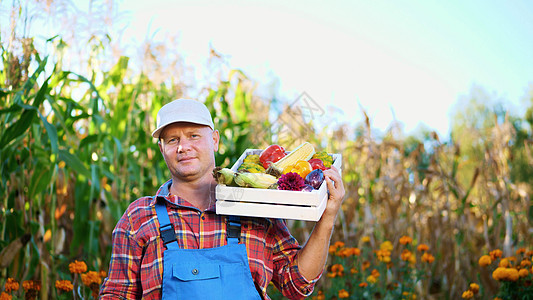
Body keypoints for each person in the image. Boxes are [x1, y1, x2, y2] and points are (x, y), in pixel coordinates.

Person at [99, 99, 345, 300]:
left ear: (214, 140)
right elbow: (116, 294)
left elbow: (297, 284)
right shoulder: (139, 217)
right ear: (162, 149)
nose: (183, 147)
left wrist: (327, 217)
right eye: (173, 140)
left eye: (194, 136)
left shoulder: (254, 204)